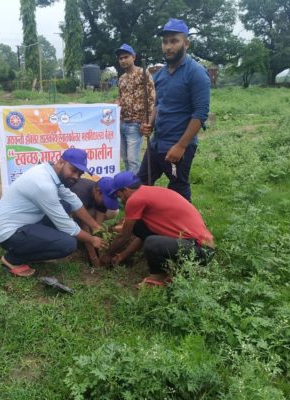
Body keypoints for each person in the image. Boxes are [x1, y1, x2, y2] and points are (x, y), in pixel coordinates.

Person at [0, 148, 106, 277]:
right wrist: (92, 239)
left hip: (23, 222)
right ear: (61, 162)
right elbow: (66, 226)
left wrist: (96, 226)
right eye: (73, 170)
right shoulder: (44, 185)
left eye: (80, 174)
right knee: (68, 244)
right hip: (9, 234)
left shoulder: (51, 173)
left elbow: (73, 200)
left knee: (66, 205)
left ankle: (37, 247)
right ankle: (13, 259)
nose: (76, 177)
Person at [139, 18, 210, 202]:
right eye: (165, 42)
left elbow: (200, 114)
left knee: (178, 190)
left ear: (186, 43)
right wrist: (150, 124)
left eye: (174, 41)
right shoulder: (160, 75)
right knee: (140, 183)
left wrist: (181, 146)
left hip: (178, 145)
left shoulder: (196, 73)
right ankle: (141, 224)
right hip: (157, 144)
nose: (168, 47)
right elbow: (158, 105)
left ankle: (186, 230)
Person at [108, 171, 215, 287]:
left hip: (201, 250)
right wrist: (122, 256)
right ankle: (170, 267)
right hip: (195, 244)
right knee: (140, 227)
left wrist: (108, 254)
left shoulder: (135, 200)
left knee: (152, 242)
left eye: (119, 196)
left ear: (126, 190)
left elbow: (124, 236)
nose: (120, 200)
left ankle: (158, 277)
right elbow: (142, 236)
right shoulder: (148, 191)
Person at [116, 43, 155, 174]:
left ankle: (134, 189)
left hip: (135, 123)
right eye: (120, 58)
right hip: (121, 123)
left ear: (133, 57)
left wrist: (147, 121)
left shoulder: (143, 73)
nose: (123, 60)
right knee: (125, 159)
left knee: (133, 160)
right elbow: (120, 99)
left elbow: (151, 98)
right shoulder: (121, 79)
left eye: (126, 57)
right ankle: (128, 185)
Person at [69, 177, 119, 267]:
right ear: (97, 191)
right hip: (68, 211)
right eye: (106, 200)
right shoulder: (81, 192)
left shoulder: (101, 195)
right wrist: (94, 258)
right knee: (80, 225)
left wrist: (102, 253)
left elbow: (98, 226)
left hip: (87, 207)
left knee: (112, 212)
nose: (106, 203)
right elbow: (83, 223)